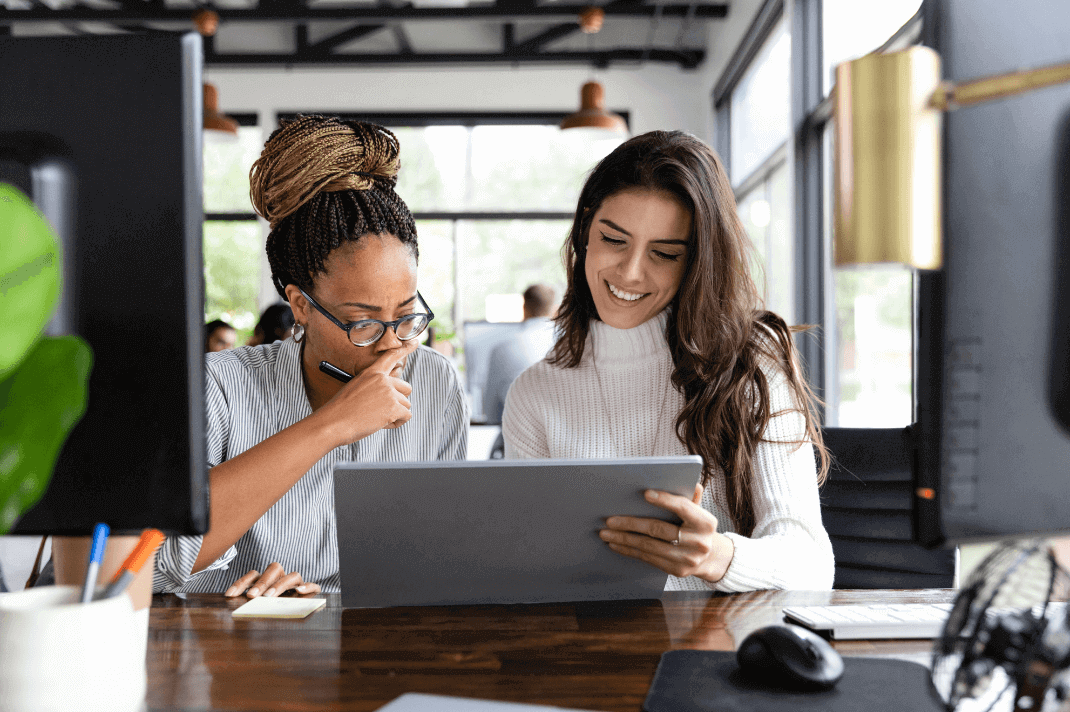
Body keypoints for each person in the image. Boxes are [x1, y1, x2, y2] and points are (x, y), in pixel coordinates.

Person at [502, 131, 833, 592]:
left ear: (696, 262)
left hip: (719, 654)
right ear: (584, 231)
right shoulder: (534, 394)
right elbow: (530, 567)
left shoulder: (752, 367)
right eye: (613, 240)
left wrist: (718, 556)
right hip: (589, 651)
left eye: (664, 253)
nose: (631, 272)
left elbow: (812, 565)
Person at [155, 116, 468, 598]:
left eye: (406, 316)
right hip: (240, 656)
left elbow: (443, 555)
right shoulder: (219, 387)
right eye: (363, 322)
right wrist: (331, 427)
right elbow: (155, 563)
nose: (392, 344)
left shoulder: (435, 382)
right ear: (300, 305)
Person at [482, 284, 557, 424]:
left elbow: (491, 414)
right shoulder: (570, 345)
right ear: (554, 309)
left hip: (518, 434)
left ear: (524, 308)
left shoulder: (503, 349)